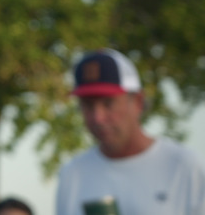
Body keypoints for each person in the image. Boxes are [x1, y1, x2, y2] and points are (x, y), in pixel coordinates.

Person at [55, 48, 205, 215]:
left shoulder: (184, 167)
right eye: (88, 105)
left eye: (108, 103)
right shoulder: (72, 174)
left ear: (138, 101)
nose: (98, 117)